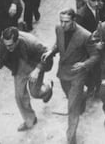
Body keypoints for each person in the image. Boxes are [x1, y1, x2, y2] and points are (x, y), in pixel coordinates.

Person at [41, 9, 99, 144]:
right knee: (71, 97)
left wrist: (84, 64)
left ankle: (71, 139)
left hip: (77, 74)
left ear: (73, 20)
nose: (62, 24)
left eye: (66, 21)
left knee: (72, 107)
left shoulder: (85, 35)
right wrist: (51, 50)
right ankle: (82, 98)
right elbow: (59, 44)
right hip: (63, 72)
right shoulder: (58, 29)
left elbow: (95, 55)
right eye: (61, 21)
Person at [0, 27, 52, 132]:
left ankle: (47, 89)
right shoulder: (5, 39)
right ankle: (30, 119)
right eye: (6, 45)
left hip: (35, 64)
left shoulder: (33, 43)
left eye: (10, 45)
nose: (7, 47)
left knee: (35, 93)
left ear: (17, 41)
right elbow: (1, 45)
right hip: (20, 63)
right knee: (19, 95)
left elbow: (47, 55)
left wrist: (37, 70)